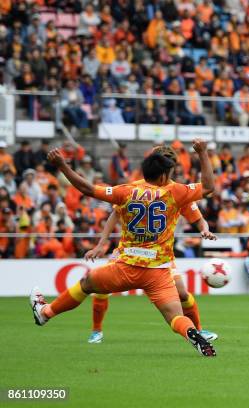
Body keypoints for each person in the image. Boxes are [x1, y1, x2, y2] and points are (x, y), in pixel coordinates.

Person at [29, 139, 217, 357]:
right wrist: (202, 152)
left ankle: (46, 313)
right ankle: (192, 333)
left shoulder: (127, 191)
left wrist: (62, 165)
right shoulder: (176, 192)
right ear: (165, 174)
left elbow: (87, 188)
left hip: (125, 265)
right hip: (158, 271)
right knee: (174, 316)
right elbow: (210, 187)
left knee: (86, 284)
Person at [83, 146, 218, 344]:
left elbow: (198, 218)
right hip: (129, 250)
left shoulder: (178, 191)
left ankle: (197, 331)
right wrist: (101, 244)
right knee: (101, 288)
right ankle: (96, 331)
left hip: (161, 257)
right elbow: (115, 213)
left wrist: (204, 229)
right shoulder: (136, 186)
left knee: (182, 293)